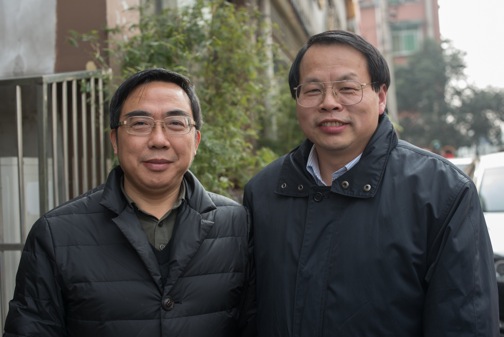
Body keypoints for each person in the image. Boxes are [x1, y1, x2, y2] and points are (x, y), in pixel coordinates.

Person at [243, 30, 499, 336]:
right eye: (312, 90)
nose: (329, 103)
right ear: (297, 99)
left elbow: (465, 323)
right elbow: (248, 315)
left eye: (347, 88)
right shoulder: (264, 192)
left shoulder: (442, 192)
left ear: (380, 97)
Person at [4, 68, 255, 337]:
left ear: (196, 141)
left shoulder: (237, 226)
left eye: (175, 123)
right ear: (115, 140)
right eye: (140, 124)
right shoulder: (56, 234)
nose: (158, 140)